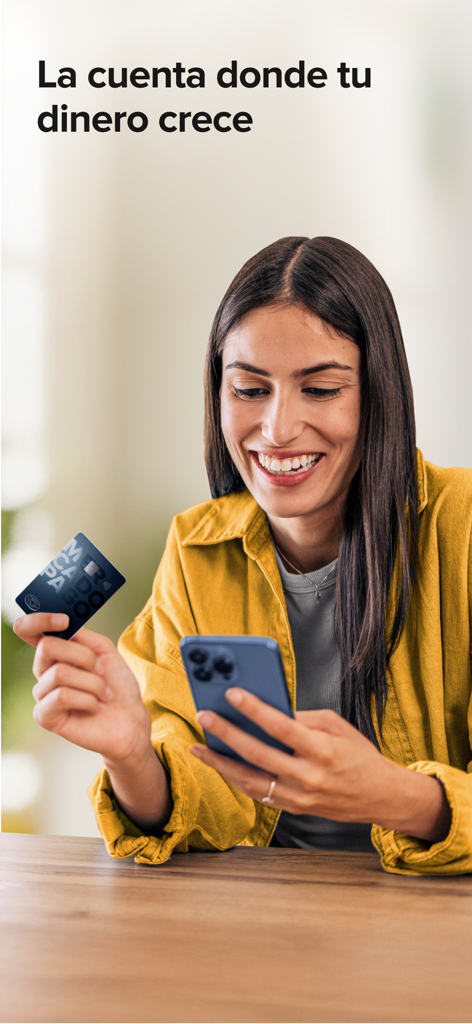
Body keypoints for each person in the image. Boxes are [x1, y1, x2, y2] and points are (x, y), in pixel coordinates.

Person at [14, 236, 472, 875]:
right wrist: (131, 754)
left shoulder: (462, 526)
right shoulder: (197, 552)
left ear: (378, 394)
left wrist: (397, 797)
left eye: (320, 389)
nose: (277, 429)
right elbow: (211, 806)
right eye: (250, 389)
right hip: (262, 910)